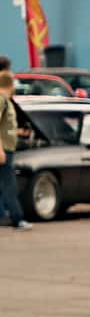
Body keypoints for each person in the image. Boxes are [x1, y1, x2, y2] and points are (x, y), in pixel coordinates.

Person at [0, 70, 31, 229]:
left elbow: (6, 127)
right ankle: (18, 219)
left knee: (2, 186)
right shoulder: (1, 100)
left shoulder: (7, 101)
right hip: (4, 150)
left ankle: (2, 217)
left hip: (8, 148)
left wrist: (19, 132)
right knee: (10, 185)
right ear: (9, 85)